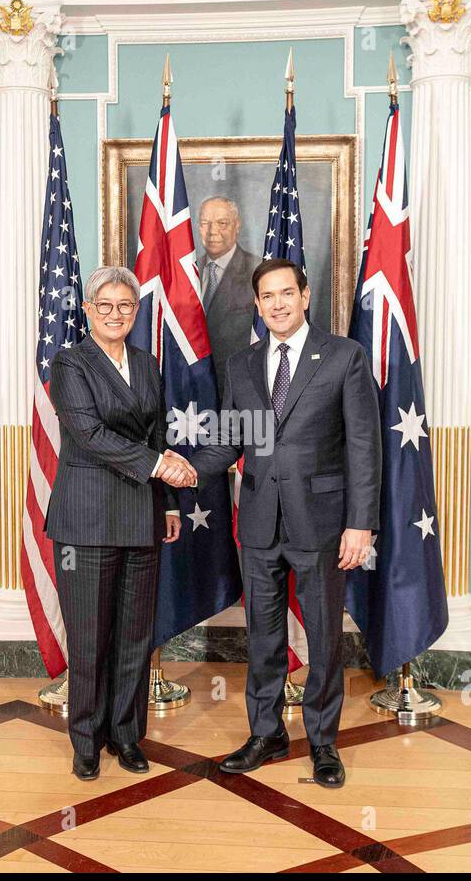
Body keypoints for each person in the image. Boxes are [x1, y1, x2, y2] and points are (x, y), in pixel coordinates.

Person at [167, 257, 381, 788]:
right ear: (257, 305)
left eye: (287, 293)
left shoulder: (343, 357)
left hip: (324, 525)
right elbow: (232, 440)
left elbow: (364, 446)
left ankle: (324, 743)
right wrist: (185, 467)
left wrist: (362, 524)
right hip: (259, 525)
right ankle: (266, 734)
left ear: (305, 296)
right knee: (262, 636)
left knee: (326, 638)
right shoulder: (242, 364)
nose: (278, 303)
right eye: (268, 296)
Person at [45, 265, 191, 781]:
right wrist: (159, 466)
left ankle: (127, 736)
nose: (114, 314)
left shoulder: (148, 364)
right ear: (87, 310)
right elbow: (88, 434)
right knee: (89, 639)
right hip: (85, 519)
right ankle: (86, 741)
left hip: (142, 514)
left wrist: (169, 500)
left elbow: (156, 436)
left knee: (134, 637)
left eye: (124, 306)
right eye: (103, 305)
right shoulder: (69, 363)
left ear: (135, 312)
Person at [196, 196, 260, 402]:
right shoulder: (187, 273)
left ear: (237, 225)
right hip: (193, 393)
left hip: (241, 394)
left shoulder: (258, 271)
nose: (212, 232)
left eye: (222, 223)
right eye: (205, 223)